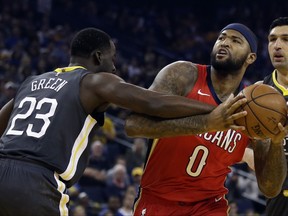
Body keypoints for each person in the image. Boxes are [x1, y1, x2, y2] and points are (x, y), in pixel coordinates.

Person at [0, 27, 246, 215]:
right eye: (112, 58)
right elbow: (153, 102)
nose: (115, 67)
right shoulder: (95, 81)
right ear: (98, 57)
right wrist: (213, 111)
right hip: (38, 182)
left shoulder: (31, 82)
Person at [125, 23, 288, 215]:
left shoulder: (248, 112)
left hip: (210, 205)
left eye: (235, 41)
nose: (225, 43)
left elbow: (270, 188)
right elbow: (133, 125)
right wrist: (206, 123)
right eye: (221, 38)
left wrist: (276, 143)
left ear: (250, 58)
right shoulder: (185, 75)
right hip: (158, 200)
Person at [242, 17, 288, 216]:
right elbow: (232, 141)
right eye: (272, 39)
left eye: (286, 39)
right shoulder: (255, 95)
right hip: (279, 194)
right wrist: (254, 156)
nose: (277, 46)